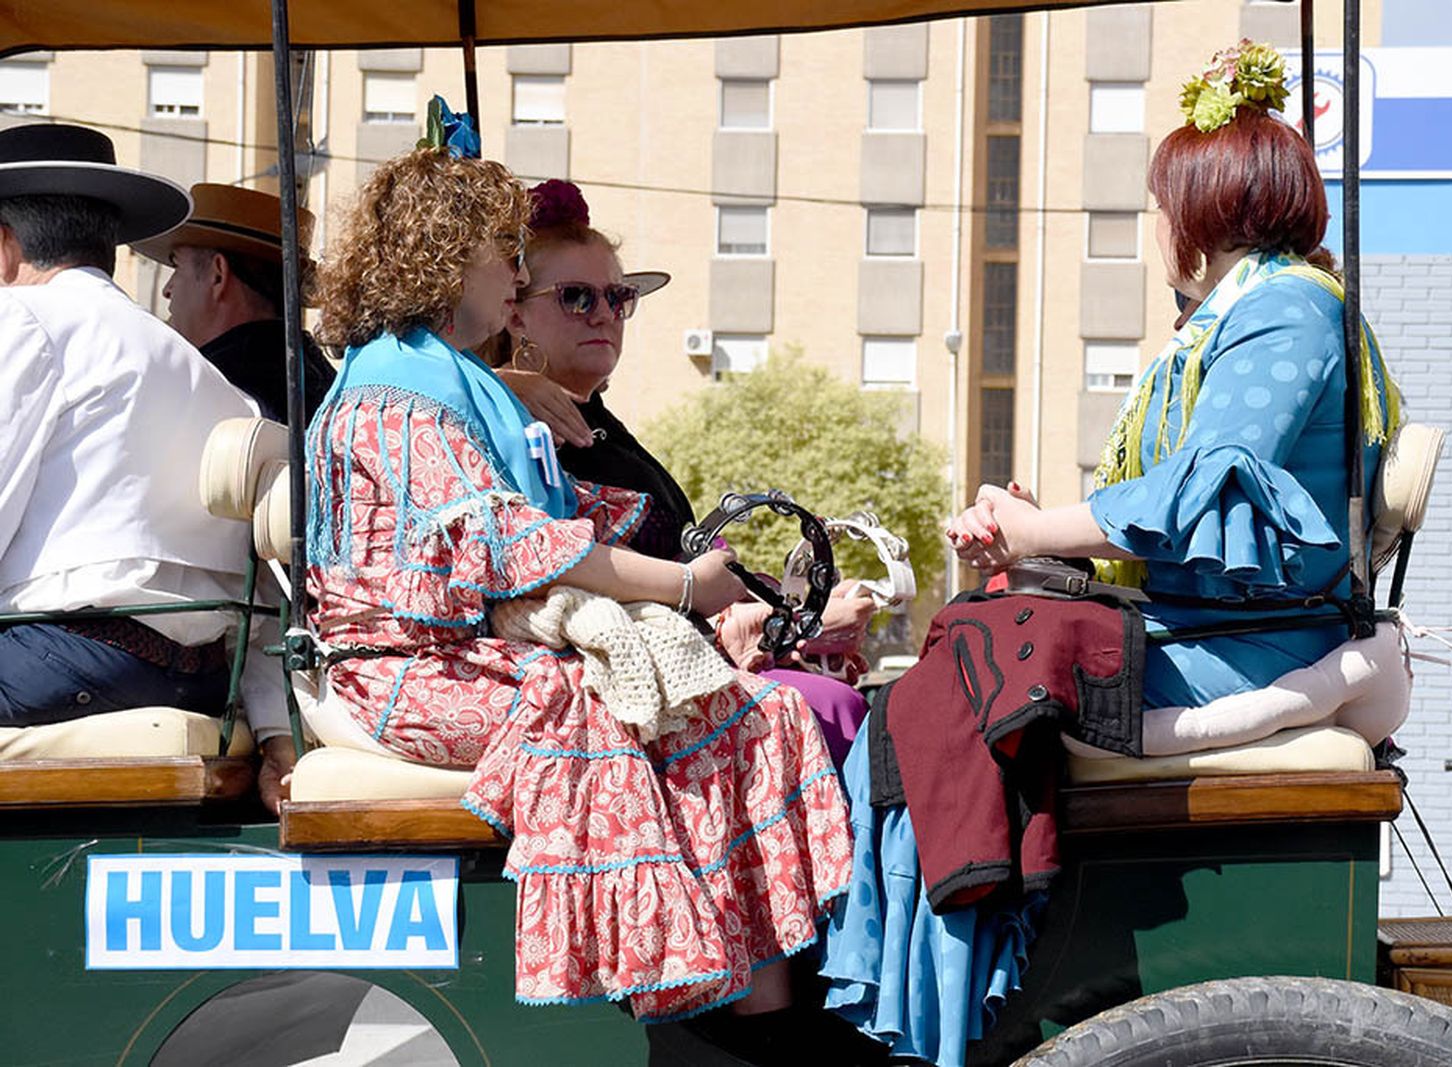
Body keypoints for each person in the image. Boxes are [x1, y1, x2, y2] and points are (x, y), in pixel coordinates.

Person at [304, 134, 852, 1027]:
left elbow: (543, 529)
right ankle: (703, 1000)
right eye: (502, 256)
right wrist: (682, 588)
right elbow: (518, 546)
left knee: (735, 708)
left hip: (458, 651)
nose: (513, 278)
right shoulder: (400, 391)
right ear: (452, 259)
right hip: (406, 667)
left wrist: (692, 576)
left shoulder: (439, 377)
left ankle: (750, 1003)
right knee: (673, 713)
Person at [947, 40, 1404, 716]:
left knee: (957, 686)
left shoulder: (1285, 308)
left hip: (1254, 642)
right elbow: (1187, 506)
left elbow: (1194, 497)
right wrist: (1044, 526)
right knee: (959, 652)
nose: (1157, 226)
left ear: (1204, 210)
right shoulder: (1264, 306)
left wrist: (1035, 533)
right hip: (1215, 629)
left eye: (1161, 207)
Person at [490, 178, 877, 766]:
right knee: (831, 709)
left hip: (674, 659)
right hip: (613, 679)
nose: (604, 314)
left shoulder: (598, 422)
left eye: (617, 298)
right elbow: (555, 571)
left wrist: (785, 612)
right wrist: (500, 383)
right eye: (576, 297)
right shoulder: (512, 422)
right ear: (514, 315)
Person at [0, 125, 273, 745]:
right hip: (200, 679)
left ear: (4, 247)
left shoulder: (19, 316)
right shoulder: (205, 373)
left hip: (60, 660)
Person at [134, 182, 336, 422]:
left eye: (177, 266)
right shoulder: (322, 380)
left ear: (218, 274)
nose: (168, 289)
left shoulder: (203, 387)